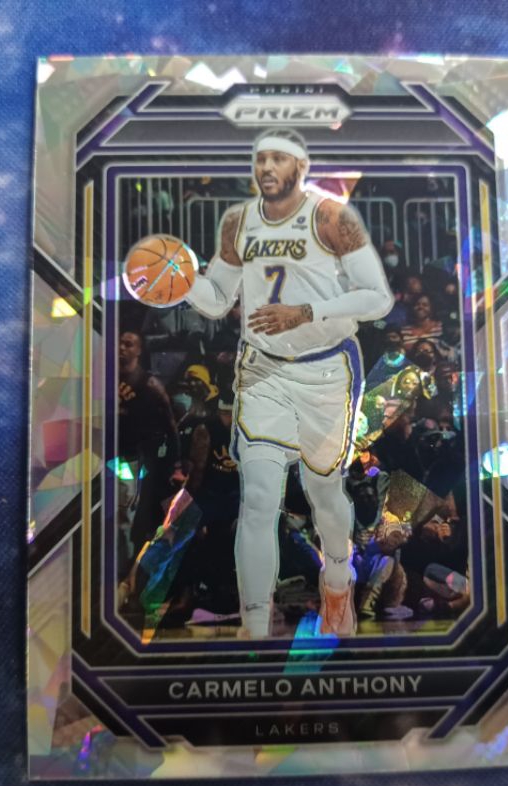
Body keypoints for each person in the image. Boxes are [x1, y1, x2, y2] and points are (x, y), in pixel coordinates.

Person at [183, 128, 393, 638]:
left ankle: (338, 580)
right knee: (257, 498)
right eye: (261, 159)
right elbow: (218, 299)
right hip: (264, 369)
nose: (266, 168)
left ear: (300, 166)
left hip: (326, 369)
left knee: (324, 492)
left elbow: (377, 299)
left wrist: (307, 311)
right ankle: (254, 625)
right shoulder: (237, 222)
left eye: (278, 159)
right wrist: (180, 283)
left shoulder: (331, 217)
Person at [117, 331, 182, 573]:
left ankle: (125, 570)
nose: (122, 348)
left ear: (139, 350)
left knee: (124, 516)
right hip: (102, 455)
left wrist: (175, 462)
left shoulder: (149, 384)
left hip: (130, 458)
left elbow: (170, 423)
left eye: (128, 344)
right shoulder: (105, 375)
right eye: (120, 343)